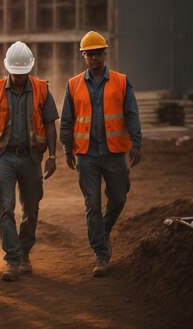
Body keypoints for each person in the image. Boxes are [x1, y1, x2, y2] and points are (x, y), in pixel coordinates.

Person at [60, 31, 142, 277]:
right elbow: (67, 120)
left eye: (98, 53)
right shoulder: (73, 84)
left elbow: (131, 114)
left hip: (114, 153)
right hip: (87, 154)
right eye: (90, 54)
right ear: (84, 56)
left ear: (105, 53)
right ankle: (101, 254)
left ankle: (102, 232)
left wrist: (136, 143)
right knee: (92, 204)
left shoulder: (120, 81)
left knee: (119, 198)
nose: (94, 58)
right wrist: (67, 148)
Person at [0, 41, 58, 282]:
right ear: (7, 69)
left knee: (31, 209)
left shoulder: (42, 89)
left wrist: (52, 156)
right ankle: (12, 259)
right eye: (15, 73)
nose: (20, 77)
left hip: (32, 157)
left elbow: (51, 123)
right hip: (3, 156)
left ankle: (25, 252)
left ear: (30, 69)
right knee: (6, 207)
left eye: (24, 73)